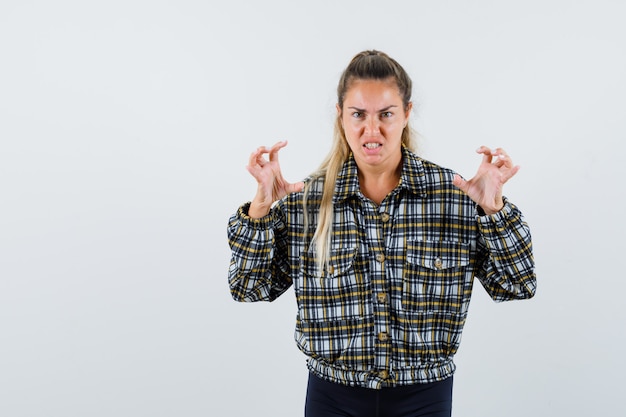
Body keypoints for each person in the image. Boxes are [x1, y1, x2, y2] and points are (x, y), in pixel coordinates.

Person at [227, 50, 536, 417]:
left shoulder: (454, 195)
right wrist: (260, 208)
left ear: (406, 113)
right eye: (358, 114)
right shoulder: (306, 202)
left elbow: (517, 285)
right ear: (341, 116)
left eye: (386, 114)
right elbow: (249, 288)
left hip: (425, 398)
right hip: (331, 398)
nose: (372, 131)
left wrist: (494, 211)